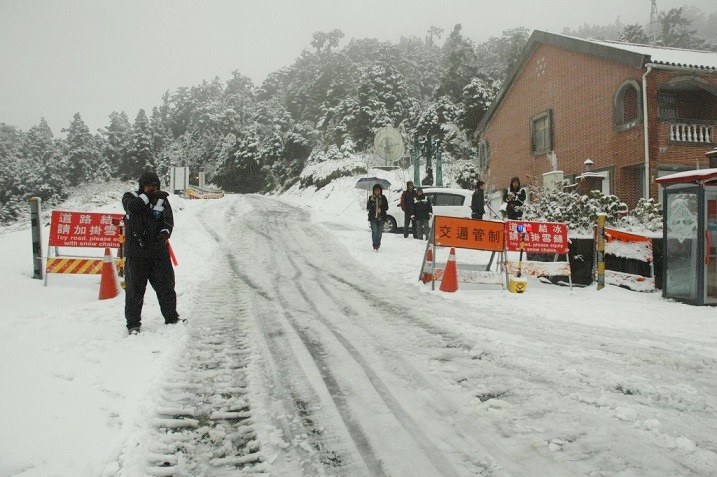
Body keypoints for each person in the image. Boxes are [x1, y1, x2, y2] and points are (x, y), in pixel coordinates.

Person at [122, 171, 180, 334]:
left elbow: (167, 220)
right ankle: (133, 323)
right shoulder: (130, 197)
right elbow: (132, 208)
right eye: (149, 185)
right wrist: (148, 196)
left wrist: (164, 232)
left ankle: (171, 317)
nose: (153, 189)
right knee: (135, 290)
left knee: (166, 286)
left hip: (158, 252)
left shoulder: (162, 199)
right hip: (136, 253)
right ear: (142, 185)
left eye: (155, 186)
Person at [367, 183, 389, 251]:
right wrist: (372, 202)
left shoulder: (383, 198)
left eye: (379, 190)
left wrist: (381, 210)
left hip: (381, 217)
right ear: (374, 191)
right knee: (375, 231)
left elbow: (386, 207)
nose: (377, 191)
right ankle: (375, 245)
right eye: (376, 190)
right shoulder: (371, 198)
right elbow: (368, 207)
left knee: (379, 232)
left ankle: (378, 243)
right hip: (373, 217)